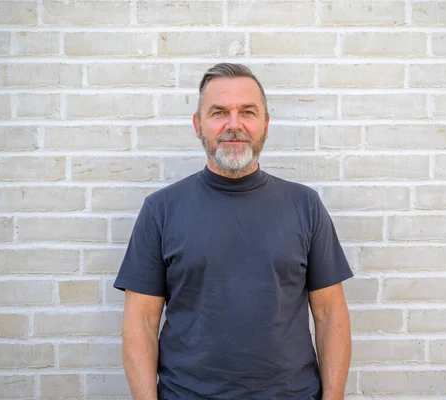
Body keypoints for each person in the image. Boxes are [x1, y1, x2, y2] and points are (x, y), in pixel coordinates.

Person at [114, 63, 353, 400]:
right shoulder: (161, 210)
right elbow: (140, 321)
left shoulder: (305, 205)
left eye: (248, 112)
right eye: (219, 112)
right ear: (198, 125)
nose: (234, 124)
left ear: (266, 125)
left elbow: (330, 314)